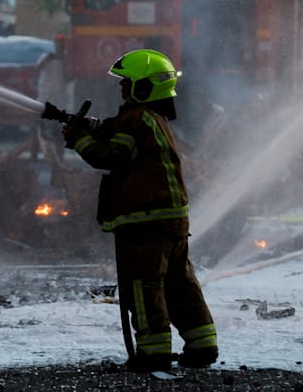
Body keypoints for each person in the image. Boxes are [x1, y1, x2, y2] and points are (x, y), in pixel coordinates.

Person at [60, 50, 218, 372]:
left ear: (143, 88)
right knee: (179, 283)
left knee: (144, 286)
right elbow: (117, 135)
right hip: (171, 221)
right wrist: (93, 127)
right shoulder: (151, 119)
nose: (121, 89)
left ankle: (152, 352)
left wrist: (78, 140)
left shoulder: (136, 119)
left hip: (144, 222)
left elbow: (110, 157)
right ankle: (202, 345)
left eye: (127, 84)